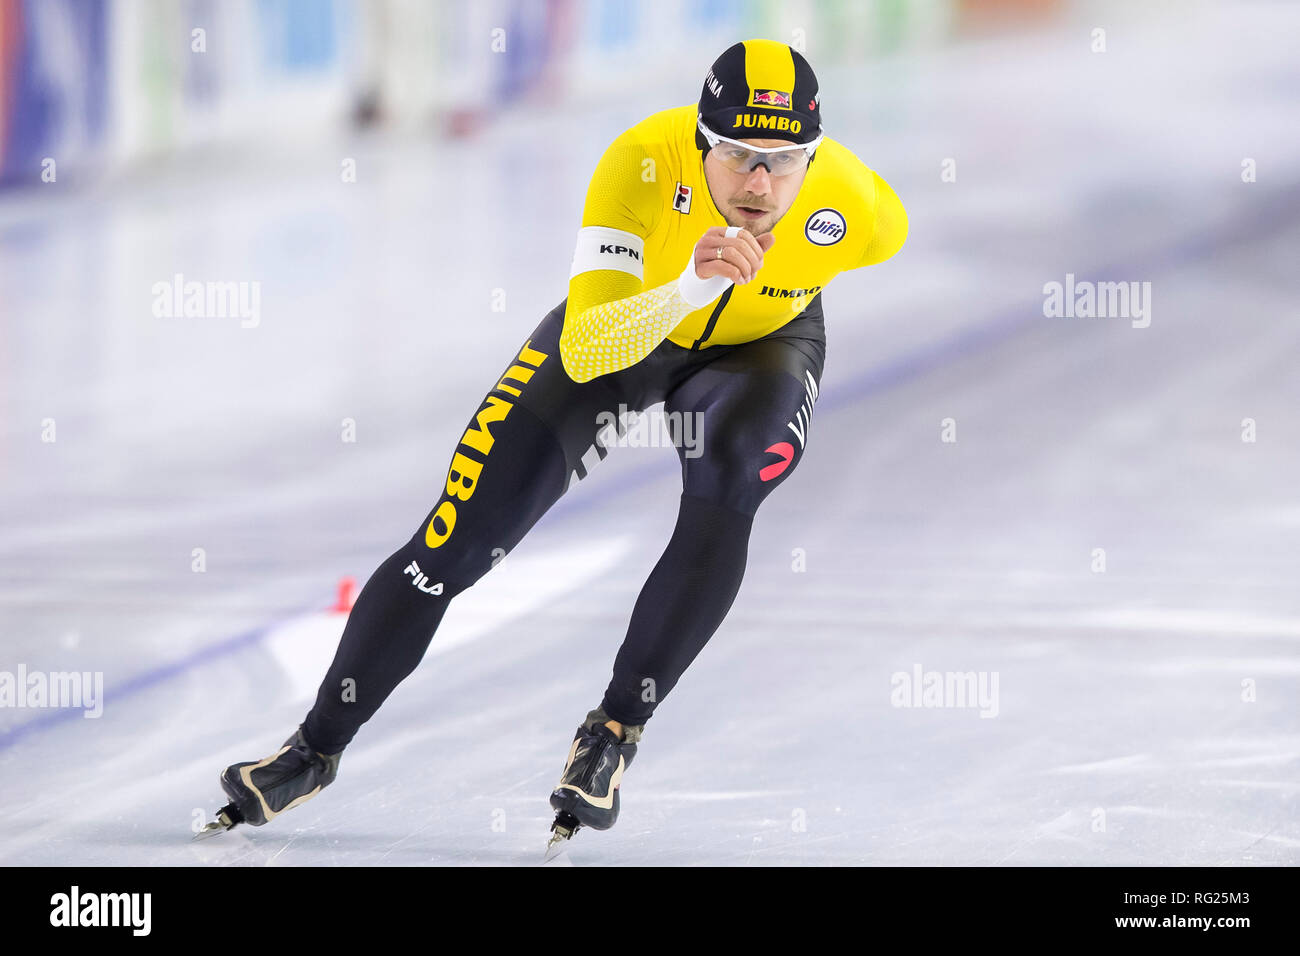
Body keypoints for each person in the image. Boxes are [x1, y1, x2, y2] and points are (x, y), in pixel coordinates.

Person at [200, 39, 908, 848]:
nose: (759, 182)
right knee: (453, 545)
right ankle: (313, 750)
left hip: (761, 349)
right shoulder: (641, 162)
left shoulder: (855, 205)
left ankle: (613, 732)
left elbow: (888, 231)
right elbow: (588, 348)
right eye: (741, 154)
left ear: (812, 159)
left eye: (783, 162)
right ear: (702, 142)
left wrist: (772, 290)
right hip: (625, 327)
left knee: (731, 485)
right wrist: (688, 288)